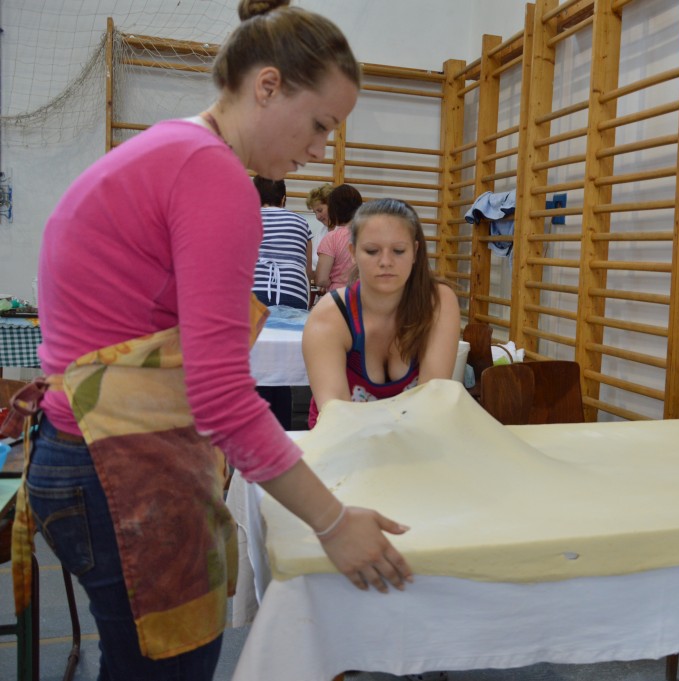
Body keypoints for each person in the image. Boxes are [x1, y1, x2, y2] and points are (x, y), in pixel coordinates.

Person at [23, 2, 411, 679]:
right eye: (320, 124)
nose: (320, 149)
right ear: (267, 86)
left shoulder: (173, 147)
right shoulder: (212, 176)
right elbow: (222, 396)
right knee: (167, 666)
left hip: (82, 451)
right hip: (113, 462)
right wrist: (332, 521)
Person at [303, 198, 461, 428]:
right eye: (372, 251)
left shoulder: (439, 302)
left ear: (415, 251)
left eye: (398, 251)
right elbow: (336, 419)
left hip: (414, 435)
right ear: (353, 252)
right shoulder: (330, 315)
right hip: (342, 438)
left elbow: (431, 404)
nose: (386, 262)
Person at [252, 175, 313, 310]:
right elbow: (308, 270)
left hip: (253, 291)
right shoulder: (301, 222)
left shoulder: (246, 218)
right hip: (294, 291)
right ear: (283, 198)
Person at [314, 183, 362, 292]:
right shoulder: (369, 235)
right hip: (364, 295)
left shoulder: (332, 238)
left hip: (338, 296)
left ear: (334, 210)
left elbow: (321, 279)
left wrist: (330, 282)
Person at [307, 182, 334, 270]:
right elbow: (313, 262)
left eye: (320, 210)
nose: (317, 217)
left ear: (332, 205)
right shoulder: (321, 232)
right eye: (315, 213)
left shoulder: (345, 231)